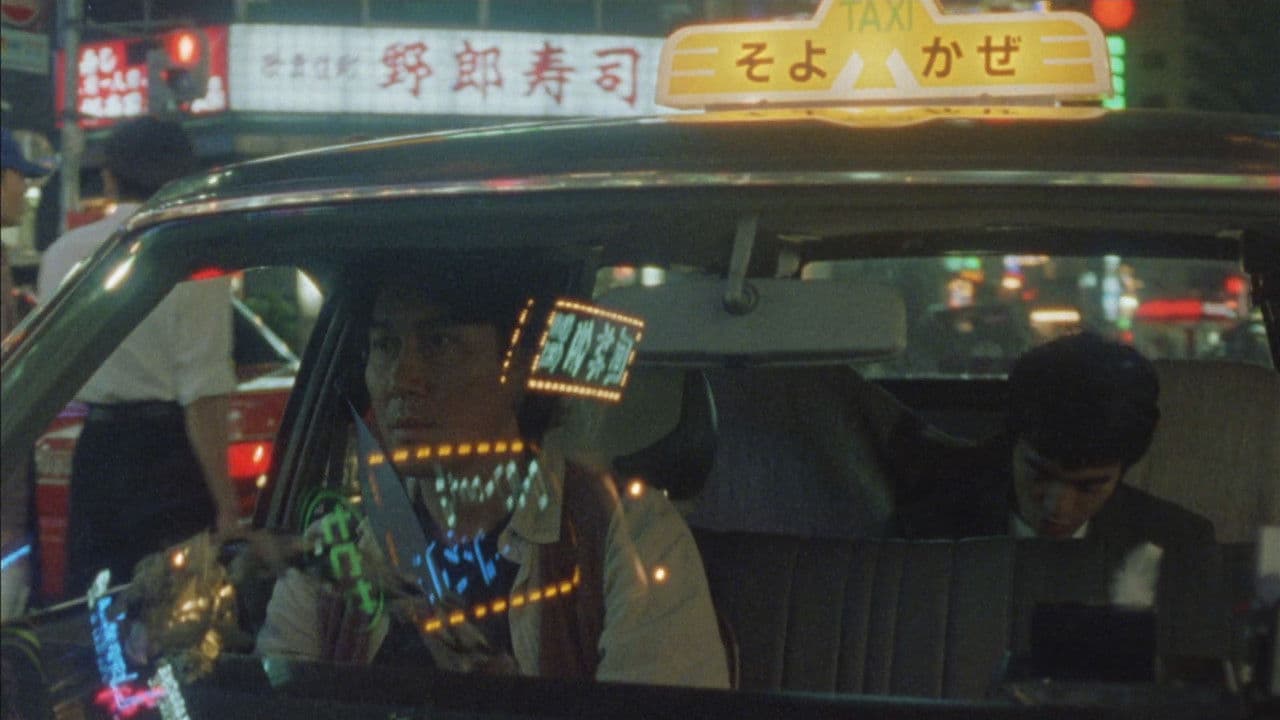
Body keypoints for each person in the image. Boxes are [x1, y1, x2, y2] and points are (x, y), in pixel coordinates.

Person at [255, 268, 730, 688]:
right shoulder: (340, 550)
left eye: (439, 343)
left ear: (519, 366)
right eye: (385, 345)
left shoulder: (629, 540)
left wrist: (507, 698)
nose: (401, 378)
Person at [889, 332, 1225, 663]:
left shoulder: (1179, 545)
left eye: (1088, 487)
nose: (1057, 506)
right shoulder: (924, 535)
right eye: (1039, 474)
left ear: (1123, 471)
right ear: (1012, 446)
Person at [37, 117, 239, 596]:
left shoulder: (63, 255)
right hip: (169, 459)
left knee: (96, 605)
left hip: (97, 452)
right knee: (173, 610)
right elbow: (202, 391)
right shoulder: (194, 256)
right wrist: (227, 505)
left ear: (109, 178)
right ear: (183, 179)